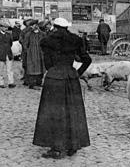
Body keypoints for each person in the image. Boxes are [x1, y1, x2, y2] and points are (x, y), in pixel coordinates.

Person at [33, 17, 92, 159]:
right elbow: (87, 59)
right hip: (71, 78)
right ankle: (73, 145)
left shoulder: (47, 41)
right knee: (73, 111)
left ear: (55, 26)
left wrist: (54, 70)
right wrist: (77, 73)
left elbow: (47, 63)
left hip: (54, 78)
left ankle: (56, 148)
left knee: (53, 112)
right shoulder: (75, 40)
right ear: (66, 27)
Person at [0, 20, 15, 88]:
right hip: (0, 54)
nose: (6, 28)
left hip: (8, 54)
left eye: (6, 27)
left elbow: (11, 43)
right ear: (0, 27)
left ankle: (11, 82)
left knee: (9, 69)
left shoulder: (9, 35)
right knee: (0, 69)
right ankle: (1, 83)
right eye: (4, 27)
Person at [24, 20, 46, 90]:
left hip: (40, 54)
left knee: (41, 67)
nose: (34, 26)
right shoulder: (28, 34)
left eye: (35, 25)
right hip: (32, 54)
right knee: (32, 68)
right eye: (32, 25)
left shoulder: (42, 34)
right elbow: (25, 45)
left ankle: (39, 82)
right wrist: (28, 51)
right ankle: (32, 84)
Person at [19, 19, 33, 85]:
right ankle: (26, 77)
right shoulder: (23, 31)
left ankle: (29, 78)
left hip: (31, 49)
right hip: (25, 50)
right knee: (25, 64)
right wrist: (24, 43)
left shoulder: (33, 30)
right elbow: (20, 39)